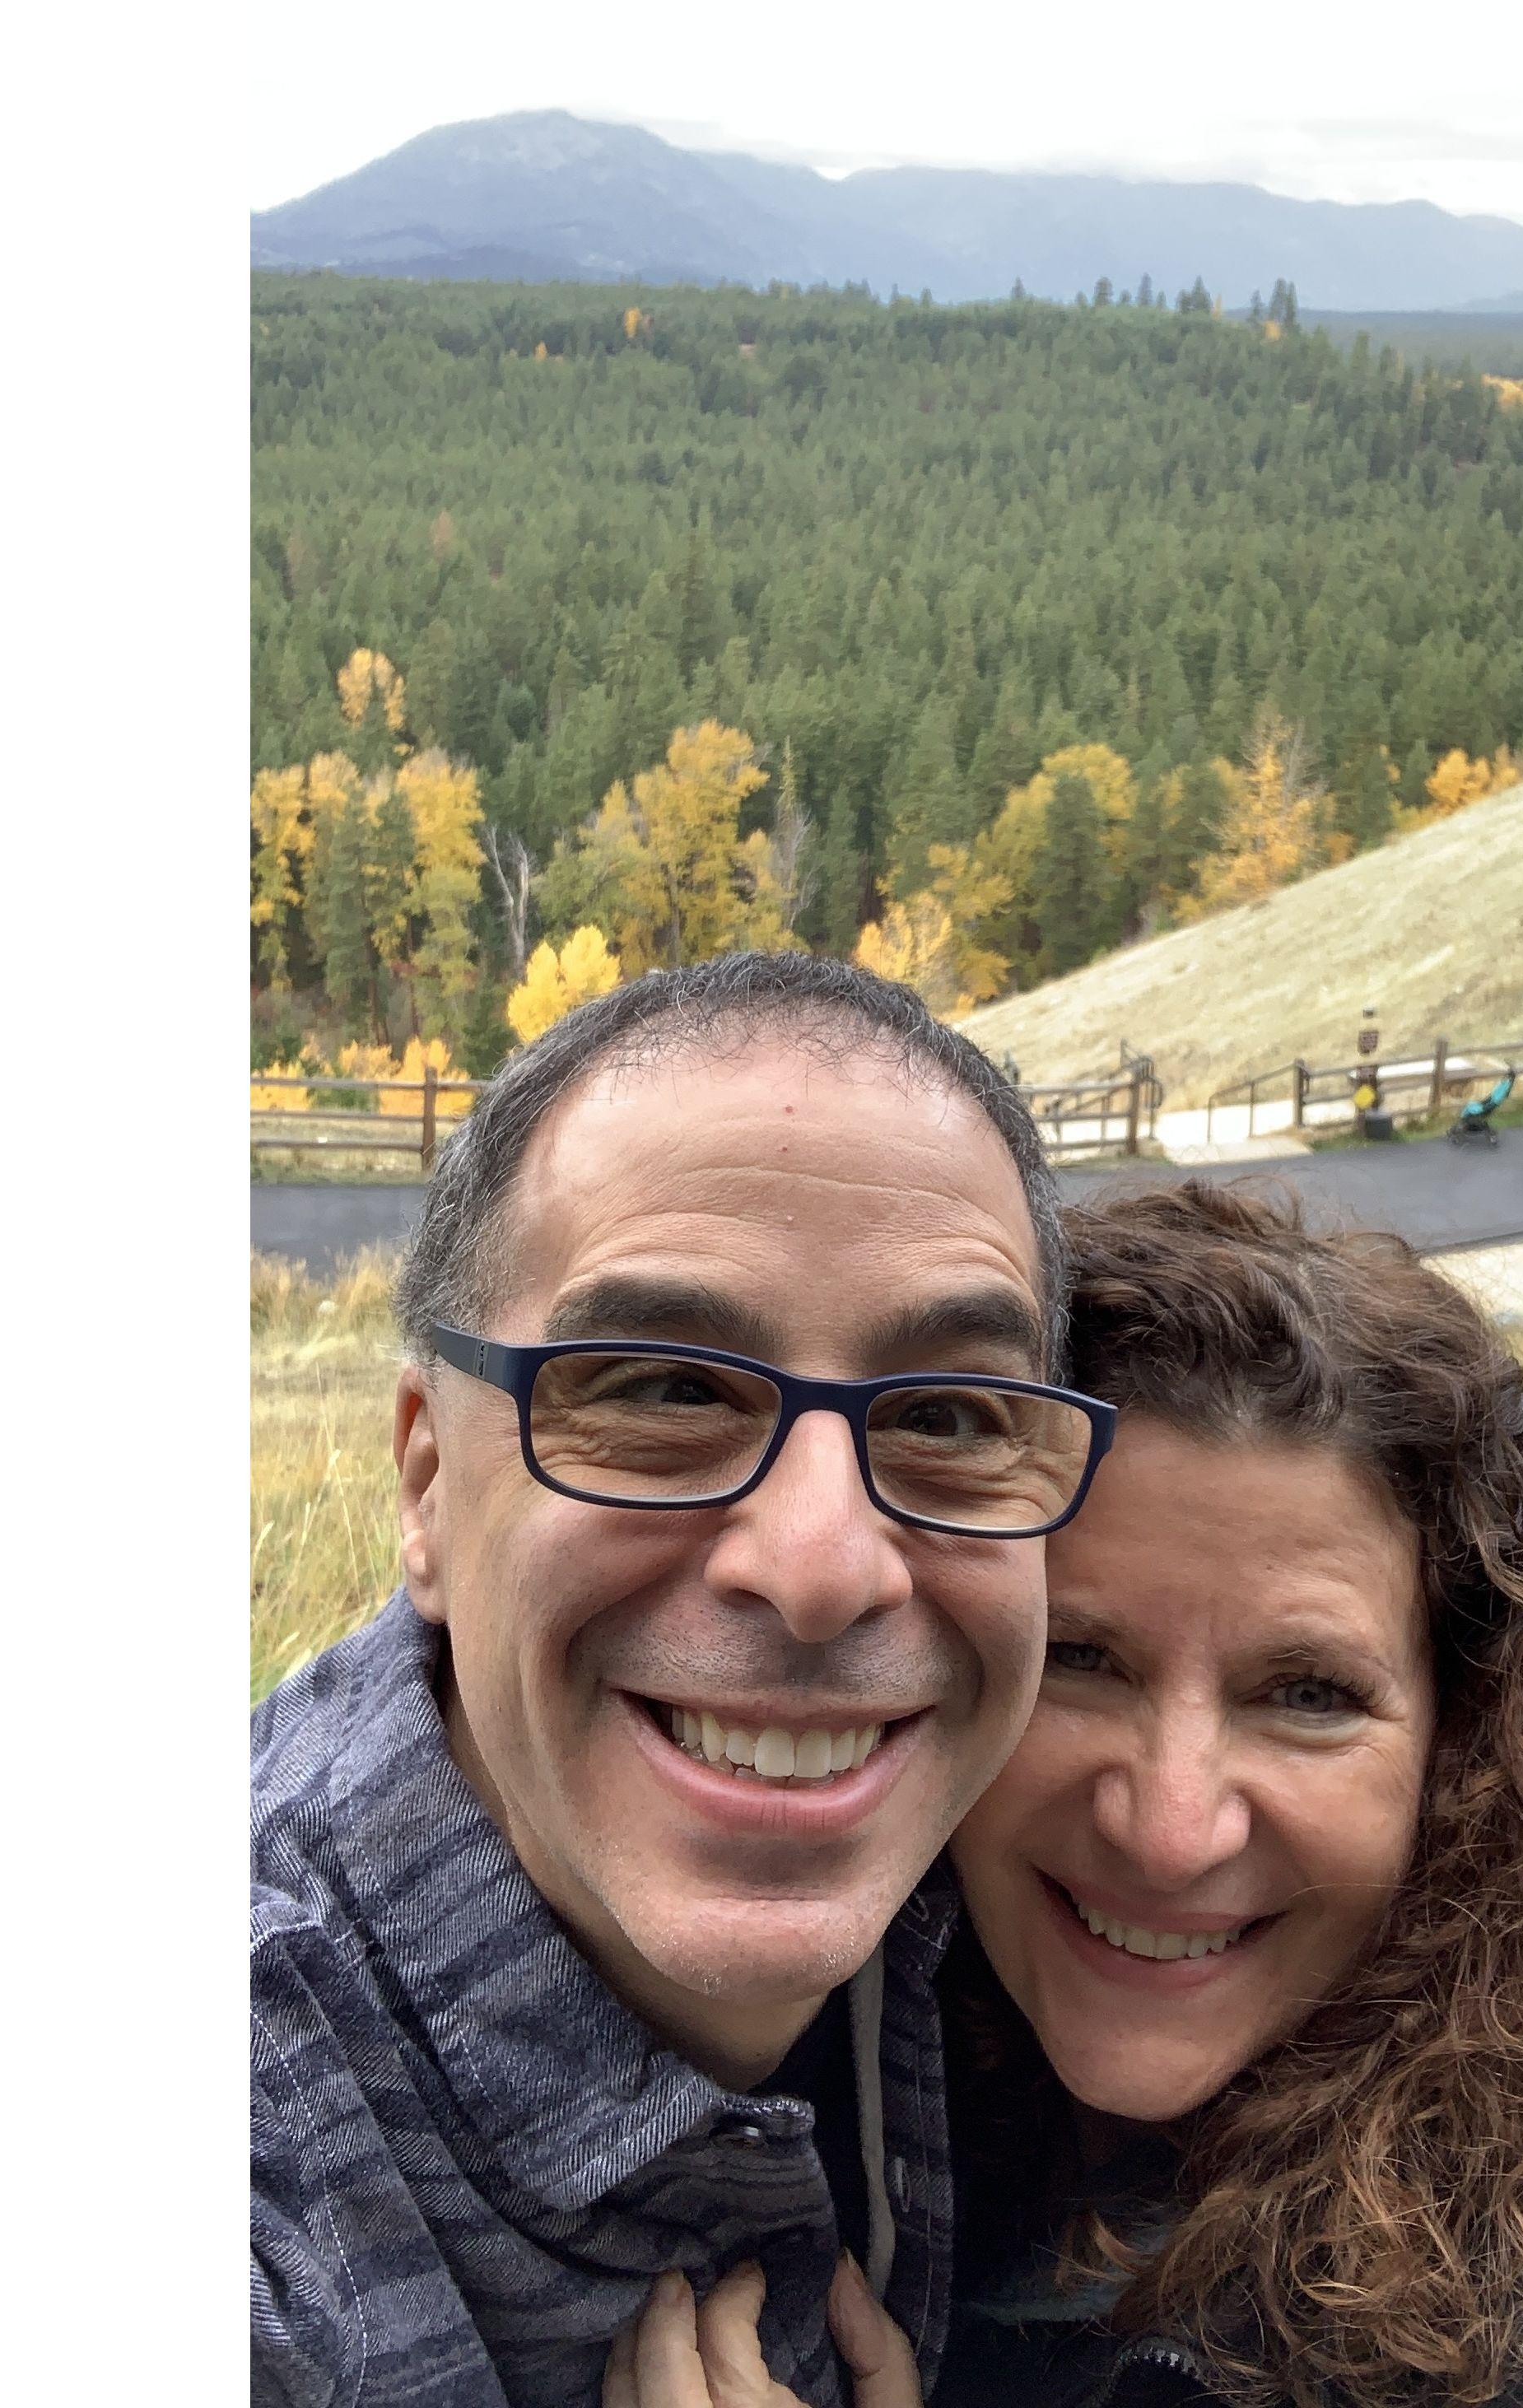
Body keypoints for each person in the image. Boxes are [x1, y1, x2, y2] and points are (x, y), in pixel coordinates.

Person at [618, 1181, 1523, 2408]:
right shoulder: (792, 2084)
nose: (1172, 1833)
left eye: (1310, 1695)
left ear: (1471, 1744)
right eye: (1081, 1660)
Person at [251, 952, 1118, 2406]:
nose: (822, 1568)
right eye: (664, 1390)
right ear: (428, 1490)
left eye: (949, 1417)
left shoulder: (1049, 1912)